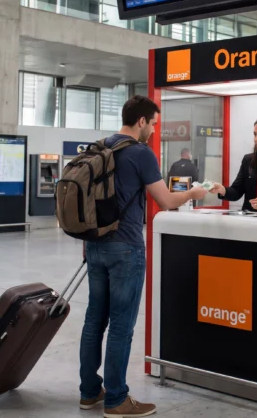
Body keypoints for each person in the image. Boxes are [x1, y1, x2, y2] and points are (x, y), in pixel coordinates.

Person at [78, 96, 208, 417]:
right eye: (152, 123)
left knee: (95, 320)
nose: (153, 129)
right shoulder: (140, 153)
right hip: (126, 249)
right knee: (122, 324)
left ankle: (90, 392)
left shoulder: (99, 147)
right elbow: (165, 200)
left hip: (94, 245)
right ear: (141, 122)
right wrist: (193, 192)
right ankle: (117, 399)